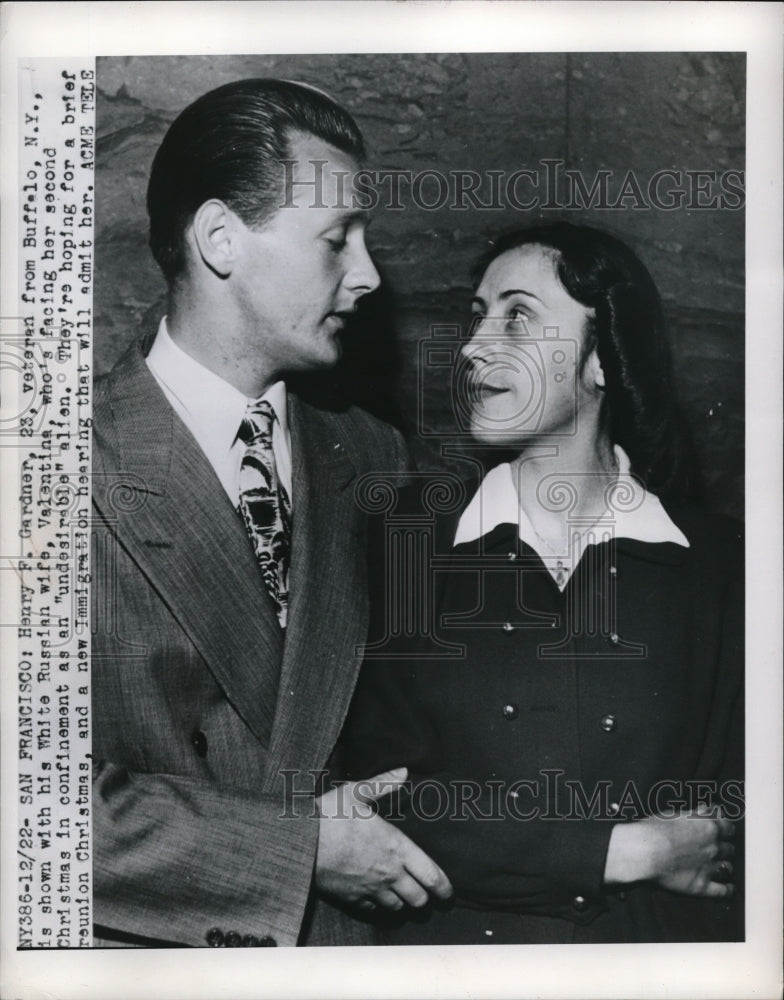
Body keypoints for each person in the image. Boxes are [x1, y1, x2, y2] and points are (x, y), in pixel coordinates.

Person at [90, 78, 452, 949]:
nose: (368, 275)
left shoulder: (370, 452)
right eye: (337, 240)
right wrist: (298, 850)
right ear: (221, 241)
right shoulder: (57, 470)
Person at [342, 221, 744, 944]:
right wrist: (626, 852)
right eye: (477, 316)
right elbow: (376, 810)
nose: (472, 347)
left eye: (517, 316)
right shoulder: (406, 544)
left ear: (601, 358)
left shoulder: (716, 564)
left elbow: (726, 830)